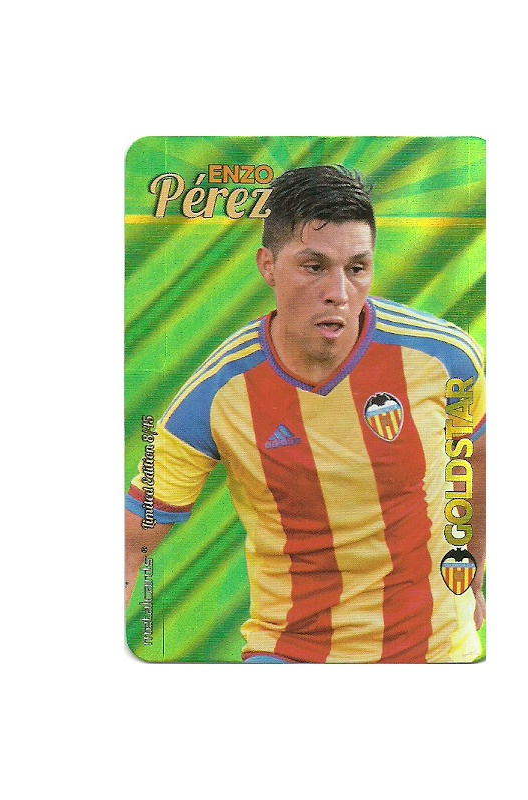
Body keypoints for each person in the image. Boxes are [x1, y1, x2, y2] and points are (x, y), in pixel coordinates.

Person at [125, 165, 486, 663]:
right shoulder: (214, 395)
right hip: (290, 651)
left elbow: (480, 462)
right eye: (314, 266)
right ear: (268, 266)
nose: (339, 291)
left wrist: (471, 575)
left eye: (357, 268)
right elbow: (132, 541)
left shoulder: (446, 358)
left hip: (434, 652)